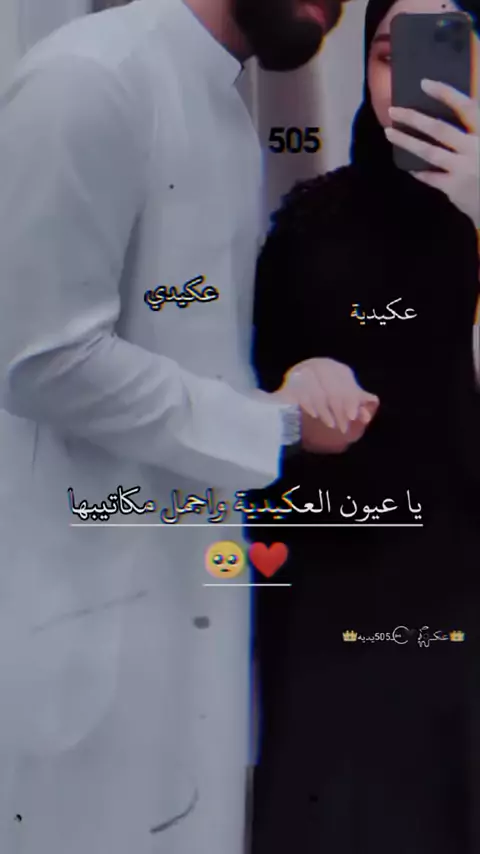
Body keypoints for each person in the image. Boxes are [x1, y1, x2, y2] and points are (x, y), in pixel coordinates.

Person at [0, 1, 361, 852]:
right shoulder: (92, 79)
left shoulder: (218, 100)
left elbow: (189, 344)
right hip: (87, 629)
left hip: (186, 602)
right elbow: (40, 357)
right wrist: (271, 426)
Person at [250, 0, 480, 851]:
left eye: (449, 52)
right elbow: (255, 405)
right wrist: (295, 390)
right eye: (390, 55)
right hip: (339, 603)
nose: (414, 82)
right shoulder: (315, 226)